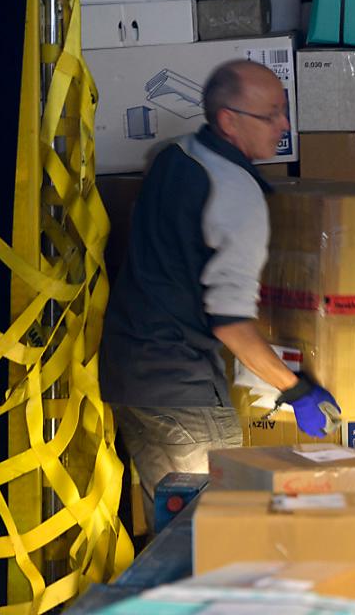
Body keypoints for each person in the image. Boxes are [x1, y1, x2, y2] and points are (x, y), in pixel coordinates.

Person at [99, 59, 338, 531]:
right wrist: (297, 391)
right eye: (270, 115)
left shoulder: (173, 155)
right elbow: (230, 324)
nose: (284, 126)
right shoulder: (236, 194)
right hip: (181, 388)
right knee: (219, 536)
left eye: (284, 111)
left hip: (129, 377)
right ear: (229, 120)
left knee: (173, 533)